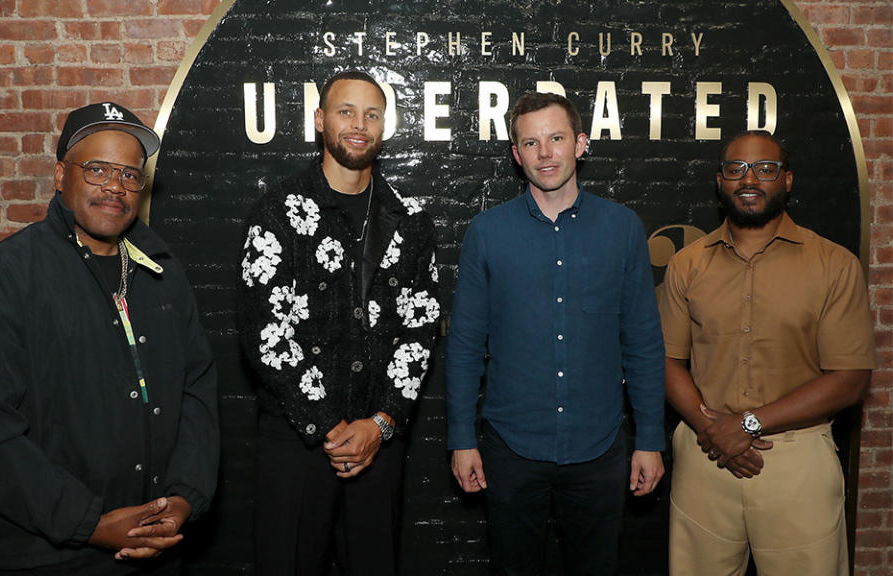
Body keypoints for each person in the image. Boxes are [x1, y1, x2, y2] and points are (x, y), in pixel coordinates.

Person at [0, 102, 220, 575]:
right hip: (50, 558)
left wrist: (183, 499)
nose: (115, 186)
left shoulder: (162, 273)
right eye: (98, 169)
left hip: (158, 549)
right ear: (60, 175)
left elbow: (197, 392)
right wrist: (87, 522)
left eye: (130, 174)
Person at [446, 91, 666, 576]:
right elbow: (465, 346)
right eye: (531, 142)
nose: (545, 152)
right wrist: (462, 437)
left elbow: (644, 343)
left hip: (601, 447)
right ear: (516, 154)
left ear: (580, 144)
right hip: (510, 449)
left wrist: (649, 438)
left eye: (556, 138)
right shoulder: (487, 232)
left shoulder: (622, 228)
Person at [238, 70, 439, 575]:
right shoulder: (277, 212)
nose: (359, 124)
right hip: (296, 439)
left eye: (372, 114)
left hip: (378, 440)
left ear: (384, 127)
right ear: (320, 119)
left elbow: (421, 328)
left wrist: (382, 423)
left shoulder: (409, 218)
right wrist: (329, 426)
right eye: (346, 111)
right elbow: (266, 337)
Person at [659, 130, 875, 576]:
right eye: (736, 169)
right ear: (720, 182)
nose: (749, 179)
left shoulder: (833, 265)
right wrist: (713, 429)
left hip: (797, 460)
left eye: (765, 168)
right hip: (706, 454)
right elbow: (664, 362)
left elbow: (850, 378)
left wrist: (748, 424)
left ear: (788, 180)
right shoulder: (688, 263)